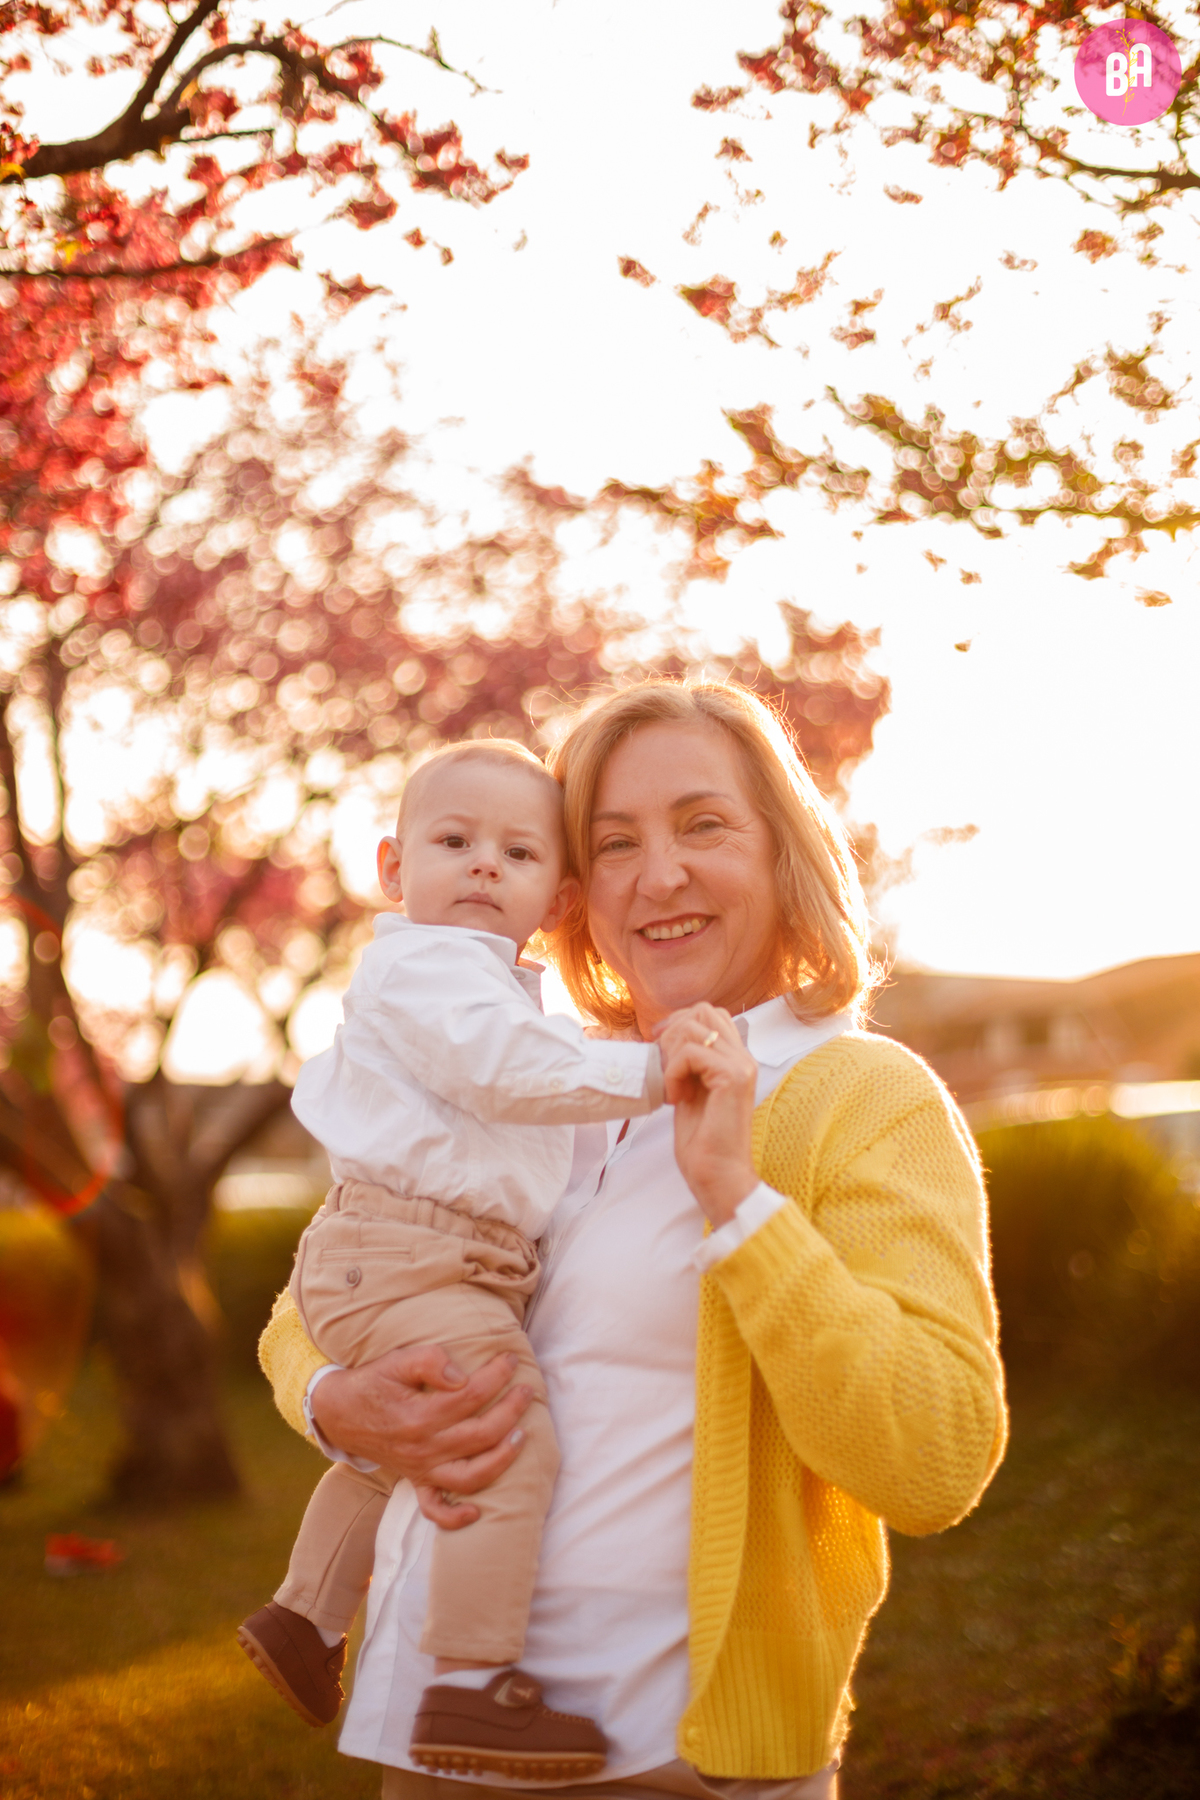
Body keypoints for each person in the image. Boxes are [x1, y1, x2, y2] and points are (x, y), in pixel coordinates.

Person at [258, 679, 1008, 1800]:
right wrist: (337, 1404)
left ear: (782, 850)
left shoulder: (861, 1094)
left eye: (703, 824)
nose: (659, 874)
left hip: (677, 1760)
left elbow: (936, 1455)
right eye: (614, 843)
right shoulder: (540, 1075)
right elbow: (316, 1296)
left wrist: (741, 1207)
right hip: (431, 1747)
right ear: (576, 890)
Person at [239, 739, 666, 1777]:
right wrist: (661, 1068)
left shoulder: (500, 994)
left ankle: (304, 1616)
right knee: (504, 1438)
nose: (483, 865)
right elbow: (505, 1071)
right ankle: (474, 1692)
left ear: (556, 901)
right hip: (414, 1254)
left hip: (405, 1259)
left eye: (517, 854)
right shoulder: (430, 967)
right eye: (454, 841)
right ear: (394, 870)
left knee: (414, 1446)